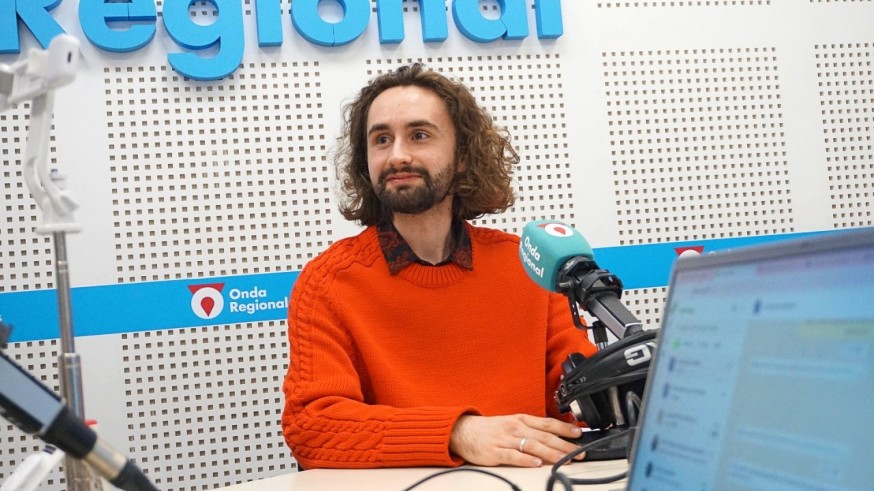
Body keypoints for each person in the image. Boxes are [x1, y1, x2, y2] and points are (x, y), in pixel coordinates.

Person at [281, 63, 597, 470]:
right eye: (381, 140)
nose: (397, 155)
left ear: (463, 155)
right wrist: (458, 433)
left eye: (419, 135)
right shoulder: (329, 283)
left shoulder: (528, 266)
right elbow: (312, 429)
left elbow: (582, 395)